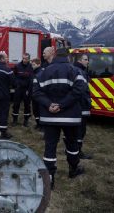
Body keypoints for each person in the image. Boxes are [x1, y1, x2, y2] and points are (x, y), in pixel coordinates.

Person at [33, 48, 86, 190]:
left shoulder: (43, 72)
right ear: (68, 57)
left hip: (50, 117)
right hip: (71, 118)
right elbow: (79, 91)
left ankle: (49, 178)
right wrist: (62, 105)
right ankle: (73, 169)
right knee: (72, 144)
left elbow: (36, 92)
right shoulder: (75, 71)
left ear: (55, 56)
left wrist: (49, 105)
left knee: (50, 147)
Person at [73, 54, 93, 159]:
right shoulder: (80, 72)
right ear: (80, 60)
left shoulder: (79, 70)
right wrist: (88, 103)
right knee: (80, 130)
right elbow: (82, 91)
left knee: (78, 130)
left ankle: (75, 150)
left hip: (79, 106)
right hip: (81, 106)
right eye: (85, 60)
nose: (87, 62)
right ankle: (77, 151)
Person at [12, 53, 34, 127]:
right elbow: (13, 76)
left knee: (27, 105)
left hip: (27, 89)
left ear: (29, 59)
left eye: (26, 58)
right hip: (18, 89)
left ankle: (26, 120)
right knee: (16, 104)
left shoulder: (31, 67)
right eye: (23, 58)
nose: (24, 60)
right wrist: (16, 84)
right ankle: (15, 120)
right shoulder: (17, 66)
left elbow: (31, 79)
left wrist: (29, 89)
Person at [31, 58, 43, 131]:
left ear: (39, 64)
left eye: (34, 65)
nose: (32, 66)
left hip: (39, 95)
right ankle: (38, 124)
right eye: (32, 65)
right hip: (34, 95)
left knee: (39, 110)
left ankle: (42, 125)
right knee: (35, 110)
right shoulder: (34, 72)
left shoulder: (41, 72)